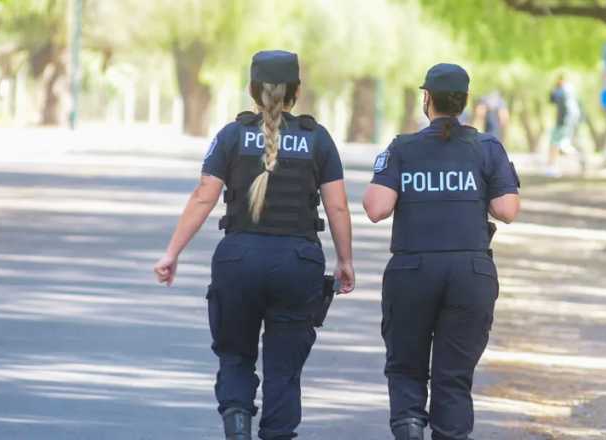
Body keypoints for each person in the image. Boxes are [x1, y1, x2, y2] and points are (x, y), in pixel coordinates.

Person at [153, 50, 355, 440]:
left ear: (252, 89)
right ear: (296, 90)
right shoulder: (317, 139)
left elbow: (203, 196)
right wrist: (345, 260)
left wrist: (172, 252)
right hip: (298, 263)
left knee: (235, 355)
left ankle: (238, 426)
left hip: (239, 260)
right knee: (283, 367)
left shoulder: (231, 135)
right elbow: (338, 206)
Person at [362, 63, 521, 440]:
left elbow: (376, 208)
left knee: (406, 368)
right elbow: (507, 210)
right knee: (453, 377)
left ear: (426, 100)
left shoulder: (403, 148)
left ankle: (410, 429)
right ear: (464, 103)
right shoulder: (487, 148)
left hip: (412, 272)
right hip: (470, 274)